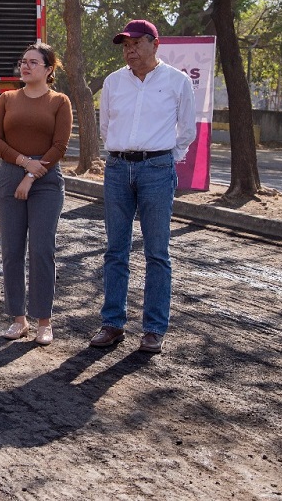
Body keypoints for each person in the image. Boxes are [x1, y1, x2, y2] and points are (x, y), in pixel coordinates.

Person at [90, 19, 196, 354]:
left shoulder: (177, 81)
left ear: (154, 44)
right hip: (118, 168)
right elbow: (106, 125)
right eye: (125, 46)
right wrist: (121, 153)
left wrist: (164, 158)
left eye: (136, 44)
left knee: (157, 252)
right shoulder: (113, 82)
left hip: (157, 169)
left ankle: (153, 329)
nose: (130, 51)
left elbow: (187, 130)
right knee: (115, 250)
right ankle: (112, 324)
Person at [0, 43, 73, 345]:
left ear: (49, 69)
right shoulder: (7, 99)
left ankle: (43, 321)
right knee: (12, 250)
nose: (25, 66)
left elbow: (60, 146)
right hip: (11, 173)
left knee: (41, 249)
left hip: (47, 179)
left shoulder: (59, 101)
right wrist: (24, 165)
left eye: (33, 63)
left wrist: (32, 175)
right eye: (23, 62)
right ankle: (17, 319)